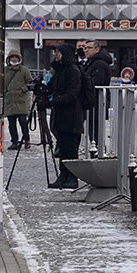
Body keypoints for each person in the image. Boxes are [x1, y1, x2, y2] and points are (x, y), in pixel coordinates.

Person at [46, 44, 84, 189]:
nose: (55, 55)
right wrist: (42, 90)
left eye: (58, 52)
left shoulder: (73, 71)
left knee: (70, 148)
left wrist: (51, 103)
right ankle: (63, 176)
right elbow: (52, 87)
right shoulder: (60, 70)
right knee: (62, 147)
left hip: (71, 116)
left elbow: (72, 95)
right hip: (61, 115)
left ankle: (72, 177)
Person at [83, 39, 113, 151]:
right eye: (85, 48)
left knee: (95, 128)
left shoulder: (99, 63)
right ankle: (96, 148)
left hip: (97, 101)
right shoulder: (91, 62)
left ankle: (98, 149)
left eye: (88, 48)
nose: (86, 50)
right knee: (92, 127)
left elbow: (96, 82)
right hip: (93, 101)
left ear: (97, 49)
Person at [3, 50, 32, 149]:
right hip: (9, 101)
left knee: (23, 121)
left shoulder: (24, 70)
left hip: (21, 101)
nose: (14, 59)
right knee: (11, 124)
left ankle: (26, 140)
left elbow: (30, 82)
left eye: (16, 57)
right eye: (12, 57)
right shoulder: (5, 70)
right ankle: (14, 141)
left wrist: (23, 89)